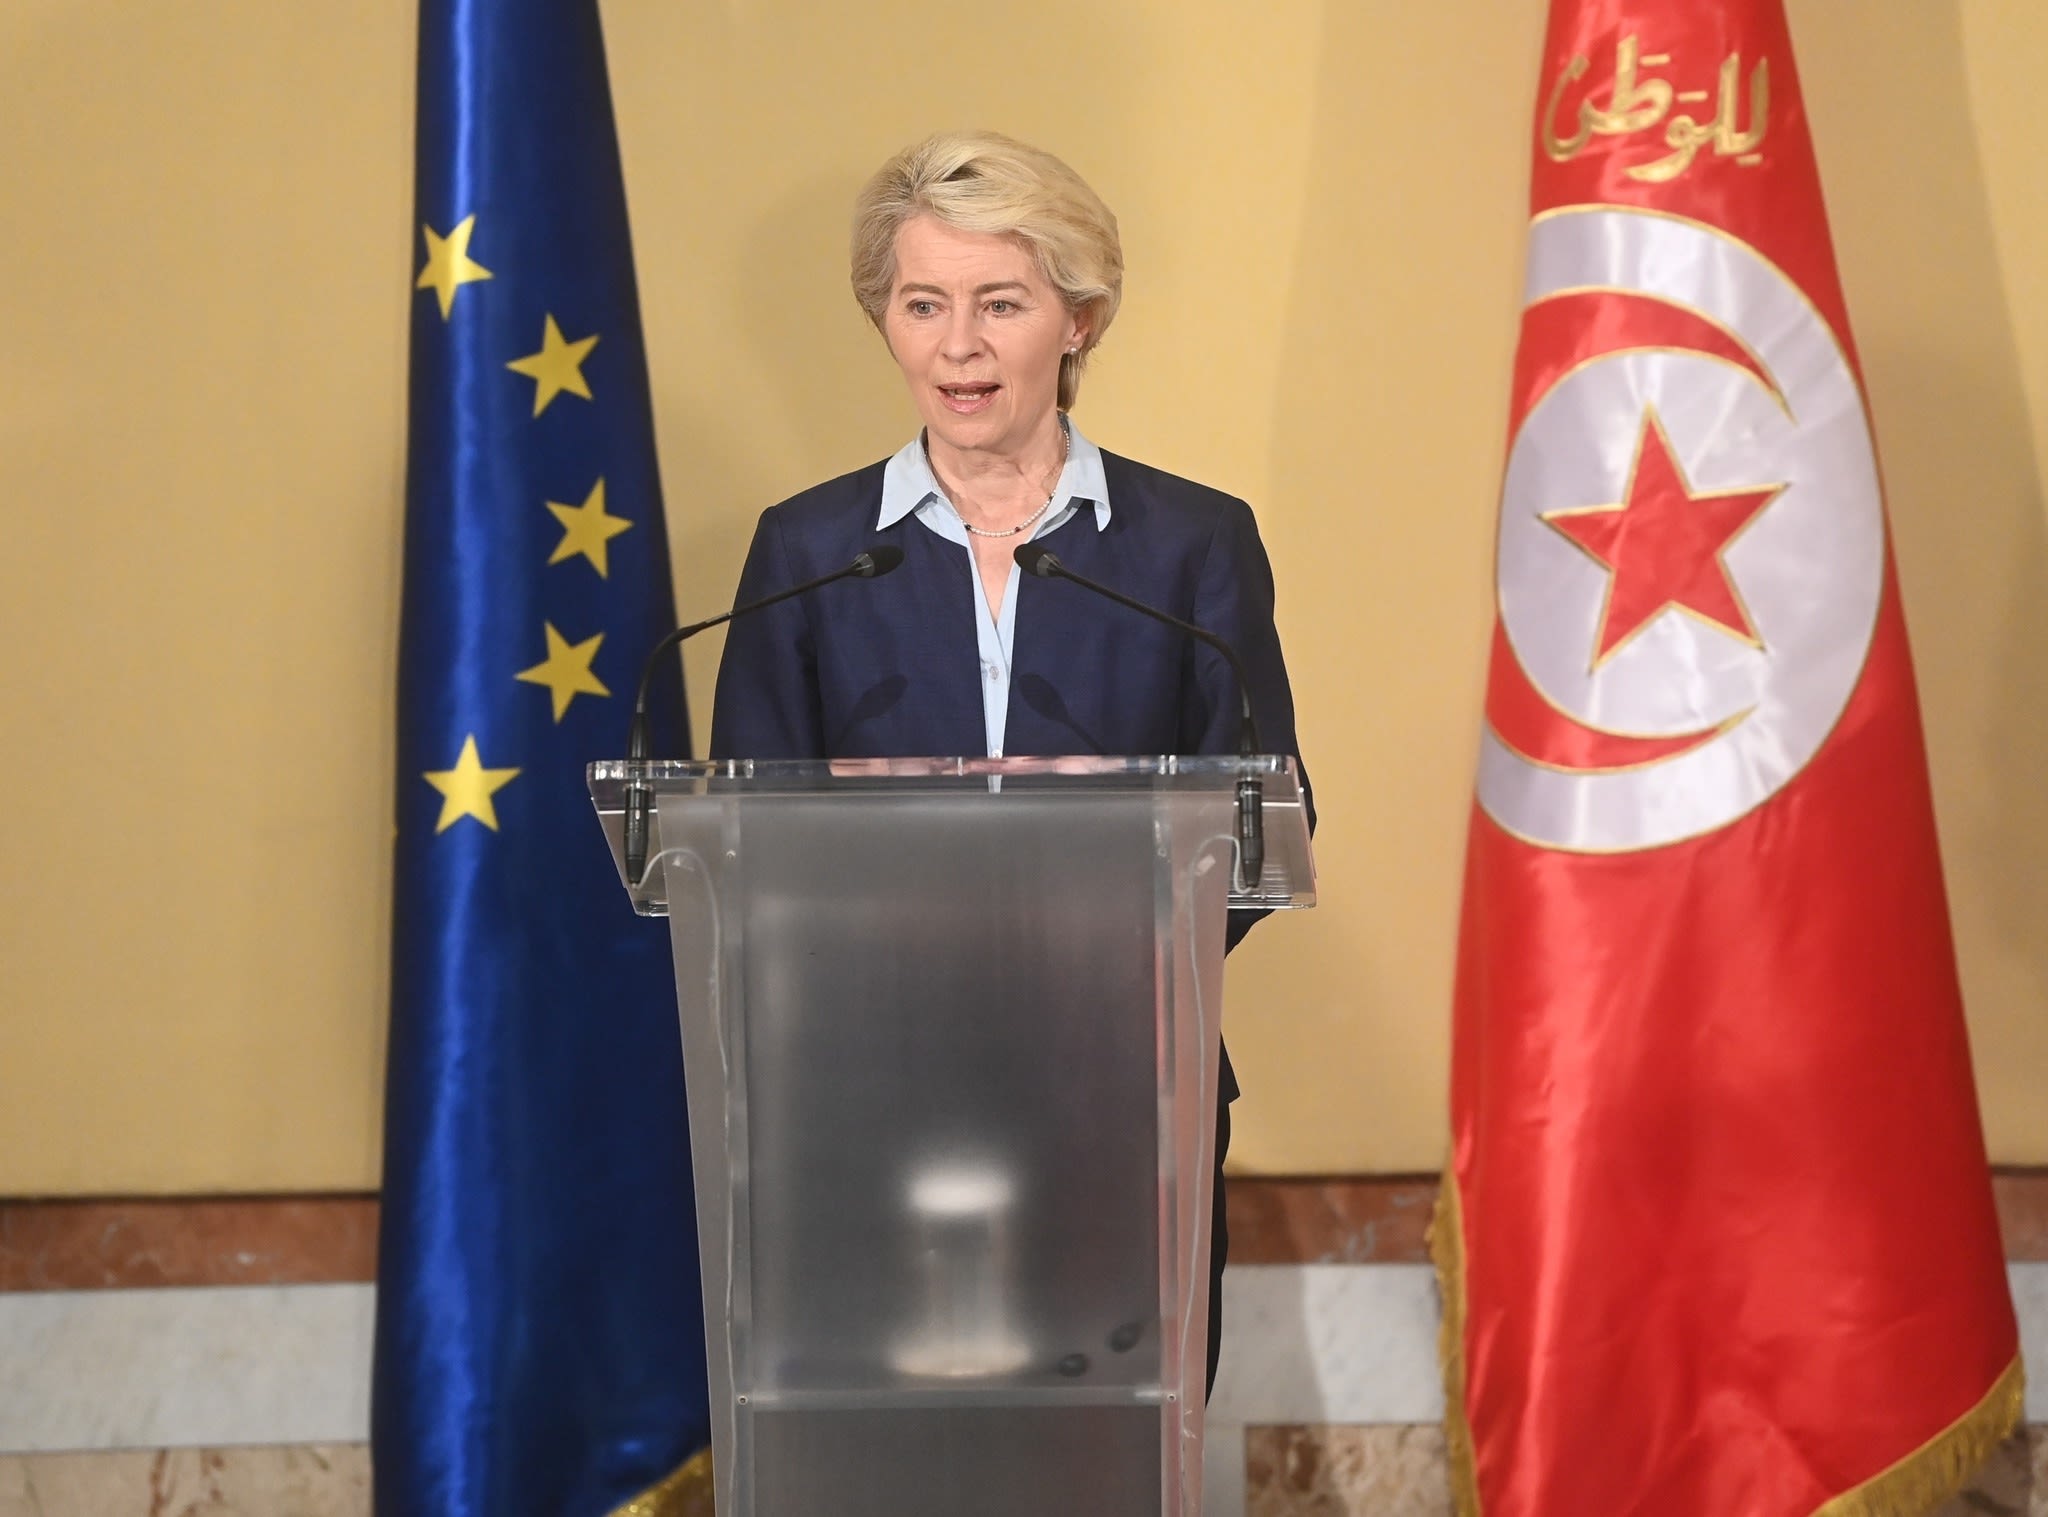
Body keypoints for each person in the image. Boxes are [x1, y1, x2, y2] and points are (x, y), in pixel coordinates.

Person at [709, 130, 1310, 1397]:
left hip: (1124, 1101)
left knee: (1104, 1455)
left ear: (1078, 319)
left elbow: (1260, 823)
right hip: (857, 1108)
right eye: (921, 304)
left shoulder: (1191, 549)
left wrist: (1098, 935)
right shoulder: (813, 552)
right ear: (884, 320)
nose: (956, 344)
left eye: (1000, 303)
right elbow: (734, 844)